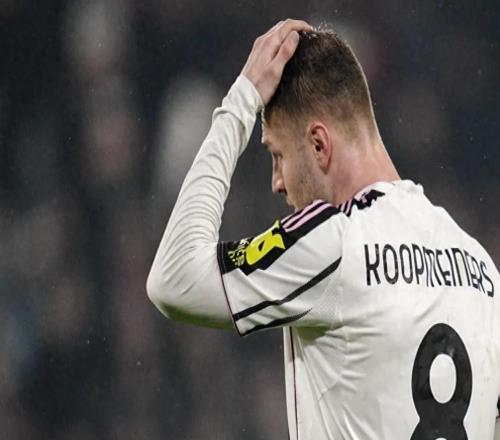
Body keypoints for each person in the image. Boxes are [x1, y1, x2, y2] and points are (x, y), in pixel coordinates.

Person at [147, 19, 500, 439]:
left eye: (277, 155)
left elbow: (175, 278)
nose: (277, 182)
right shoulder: (482, 271)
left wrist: (240, 102)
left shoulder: (335, 240)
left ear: (319, 144)